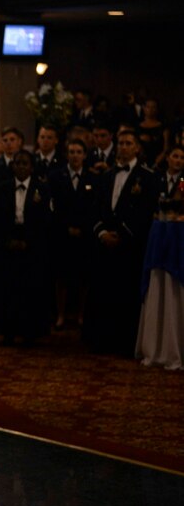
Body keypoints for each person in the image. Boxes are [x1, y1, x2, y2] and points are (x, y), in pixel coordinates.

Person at [83, 130, 159, 355]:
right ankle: (100, 340)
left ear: (137, 148)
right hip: (104, 244)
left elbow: (146, 212)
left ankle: (125, 342)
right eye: (121, 143)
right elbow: (95, 208)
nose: (123, 147)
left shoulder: (148, 177)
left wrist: (122, 235)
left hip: (130, 246)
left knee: (125, 295)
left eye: (128, 143)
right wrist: (102, 233)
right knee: (103, 292)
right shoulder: (106, 176)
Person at [0, 151, 52, 345]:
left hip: (31, 244)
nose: (21, 167)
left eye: (25, 163)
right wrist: (7, 241)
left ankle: (29, 331)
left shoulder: (41, 189)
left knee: (30, 290)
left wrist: (30, 242)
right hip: (8, 242)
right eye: (17, 163)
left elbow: (46, 222)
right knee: (8, 289)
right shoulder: (2, 189)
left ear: (32, 167)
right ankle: (8, 331)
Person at [47, 139, 97, 329]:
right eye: (72, 152)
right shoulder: (55, 176)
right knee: (62, 276)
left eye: (78, 152)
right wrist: (65, 227)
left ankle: (81, 314)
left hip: (85, 235)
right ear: (67, 155)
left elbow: (94, 208)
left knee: (84, 276)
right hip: (62, 234)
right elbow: (53, 207)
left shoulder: (93, 178)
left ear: (84, 155)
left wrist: (83, 228)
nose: (75, 155)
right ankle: (60, 314)